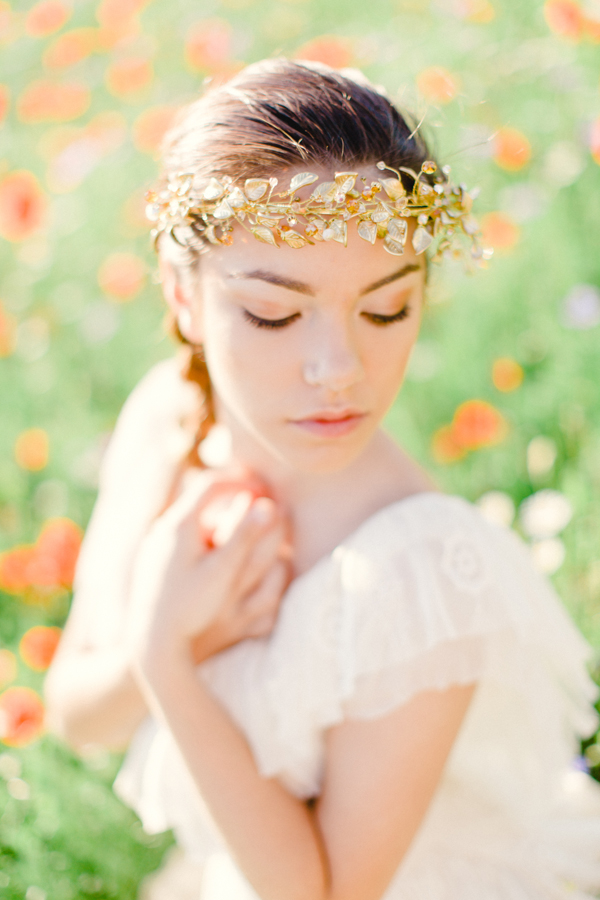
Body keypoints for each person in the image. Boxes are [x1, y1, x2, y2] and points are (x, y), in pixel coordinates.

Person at [44, 58, 600, 900]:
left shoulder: (419, 563)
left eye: (386, 309)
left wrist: (170, 660)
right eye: (273, 313)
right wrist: (168, 639)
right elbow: (76, 712)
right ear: (185, 299)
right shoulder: (168, 423)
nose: (339, 369)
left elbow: (327, 893)